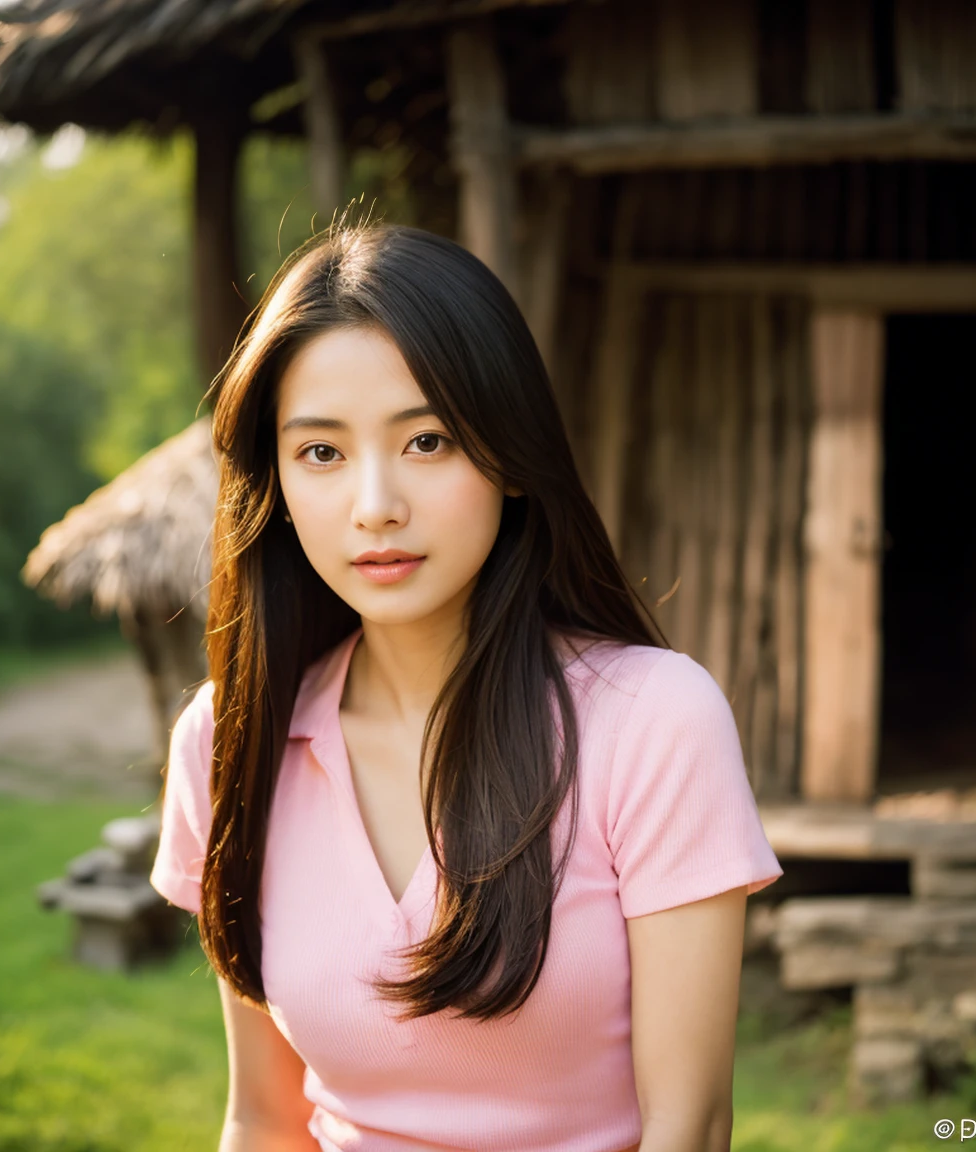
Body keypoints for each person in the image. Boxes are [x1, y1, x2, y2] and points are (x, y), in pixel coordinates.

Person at [150, 219, 783, 1152]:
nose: (375, 505)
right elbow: (263, 1118)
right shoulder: (228, 739)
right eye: (320, 453)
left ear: (510, 456)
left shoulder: (652, 722)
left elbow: (689, 1125)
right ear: (275, 483)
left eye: (429, 441)